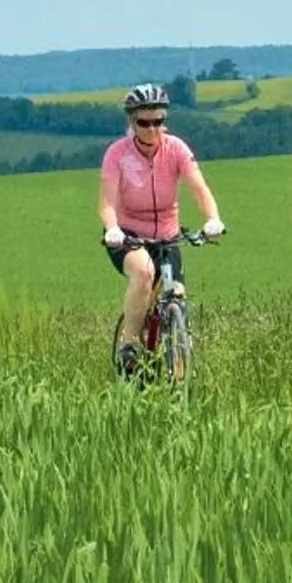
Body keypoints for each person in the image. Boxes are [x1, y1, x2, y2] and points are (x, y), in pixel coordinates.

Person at [101, 84, 224, 374]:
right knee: (144, 272)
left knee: (176, 296)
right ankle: (129, 346)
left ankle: (179, 382)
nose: (152, 129)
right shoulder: (117, 153)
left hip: (167, 235)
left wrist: (212, 218)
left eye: (158, 121)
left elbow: (200, 188)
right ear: (132, 121)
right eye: (144, 122)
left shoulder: (176, 149)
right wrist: (112, 228)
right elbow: (106, 203)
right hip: (128, 235)